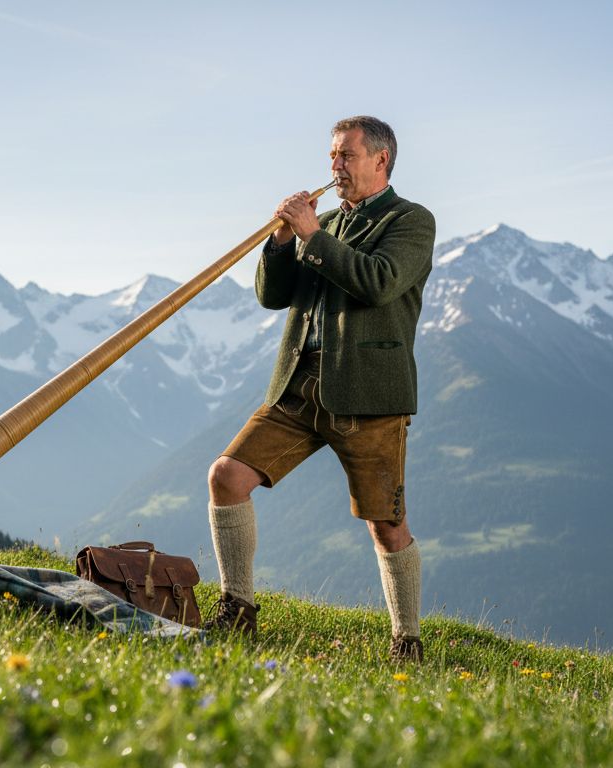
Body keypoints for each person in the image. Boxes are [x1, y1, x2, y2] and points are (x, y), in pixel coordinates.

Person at [203, 116, 436, 663]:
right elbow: (273, 296)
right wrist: (282, 243)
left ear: (381, 161)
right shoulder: (325, 221)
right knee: (227, 476)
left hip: (370, 397)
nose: (335, 166)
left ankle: (407, 640)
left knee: (387, 525)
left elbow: (377, 282)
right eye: (332, 155)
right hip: (299, 385)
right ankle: (238, 609)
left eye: (346, 156)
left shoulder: (412, 221)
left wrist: (310, 235)